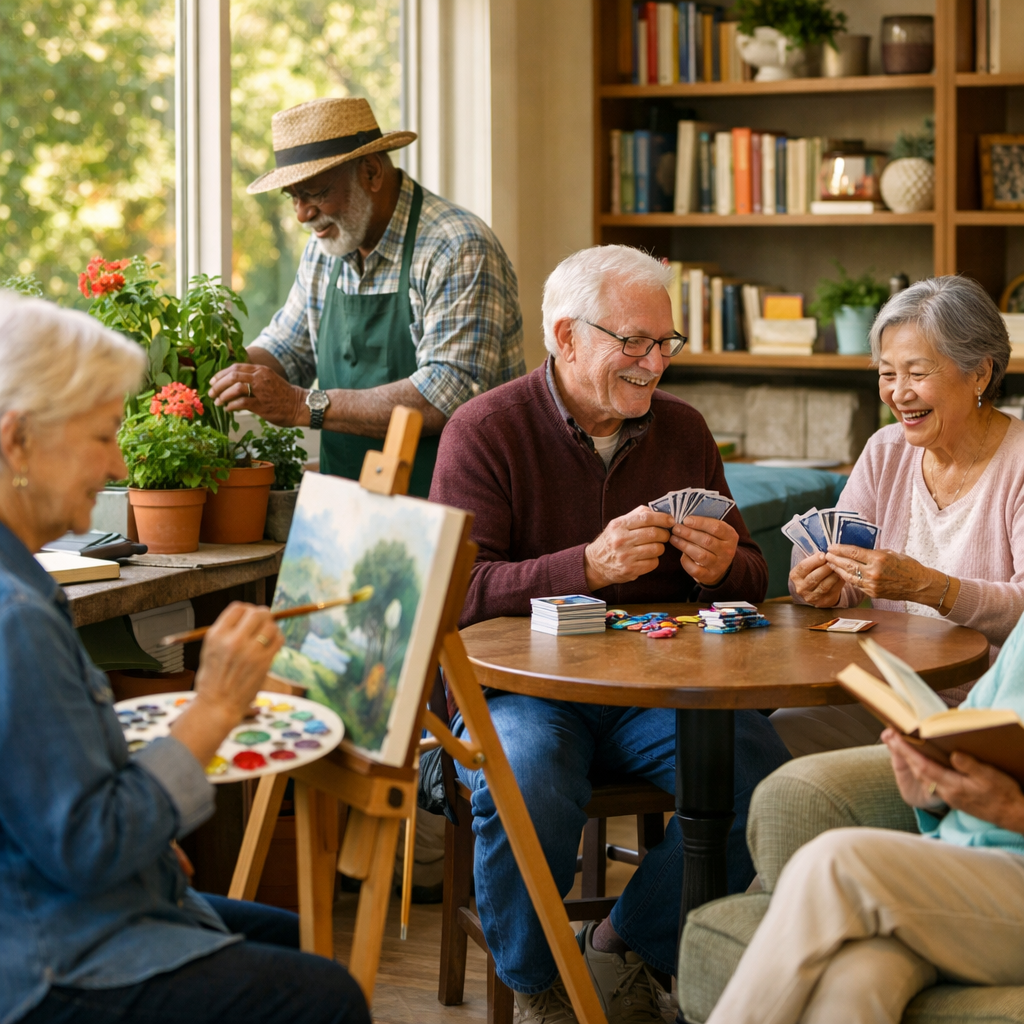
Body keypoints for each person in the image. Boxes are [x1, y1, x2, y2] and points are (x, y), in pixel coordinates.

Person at [429, 245, 791, 1024]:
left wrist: (726, 564)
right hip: (526, 690)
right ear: (566, 336)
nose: (654, 364)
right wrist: (582, 566)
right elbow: (453, 594)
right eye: (633, 342)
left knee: (766, 782)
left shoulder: (685, 432)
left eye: (666, 344)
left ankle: (619, 948)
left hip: (653, 689)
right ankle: (539, 988)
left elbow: (756, 577)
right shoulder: (484, 430)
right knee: (527, 774)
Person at [0, 294, 369, 1024]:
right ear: (17, 442)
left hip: (52, 905)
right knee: (326, 999)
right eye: (104, 435)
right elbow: (91, 845)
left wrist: (146, 842)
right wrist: (217, 706)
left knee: (304, 945)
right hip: (45, 957)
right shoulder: (15, 618)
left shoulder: (23, 579)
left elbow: (45, 793)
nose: (118, 460)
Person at [704, 607, 1024, 1024]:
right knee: (854, 978)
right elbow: (973, 731)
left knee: (835, 861)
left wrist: (1013, 812)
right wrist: (931, 791)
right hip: (968, 867)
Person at [207, 96, 525, 498]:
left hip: (457, 507)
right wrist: (213, 365)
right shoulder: (328, 248)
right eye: (293, 196)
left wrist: (300, 405)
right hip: (352, 509)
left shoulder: (456, 247)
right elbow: (288, 349)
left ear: (371, 171)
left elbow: (445, 395)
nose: (302, 214)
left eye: (315, 193)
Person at [773, 275, 1024, 756]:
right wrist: (817, 586)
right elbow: (840, 571)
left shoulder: (1018, 464)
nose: (898, 393)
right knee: (764, 743)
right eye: (888, 373)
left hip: (990, 715)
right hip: (891, 697)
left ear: (980, 374)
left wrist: (931, 587)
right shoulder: (885, 451)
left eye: (917, 372)